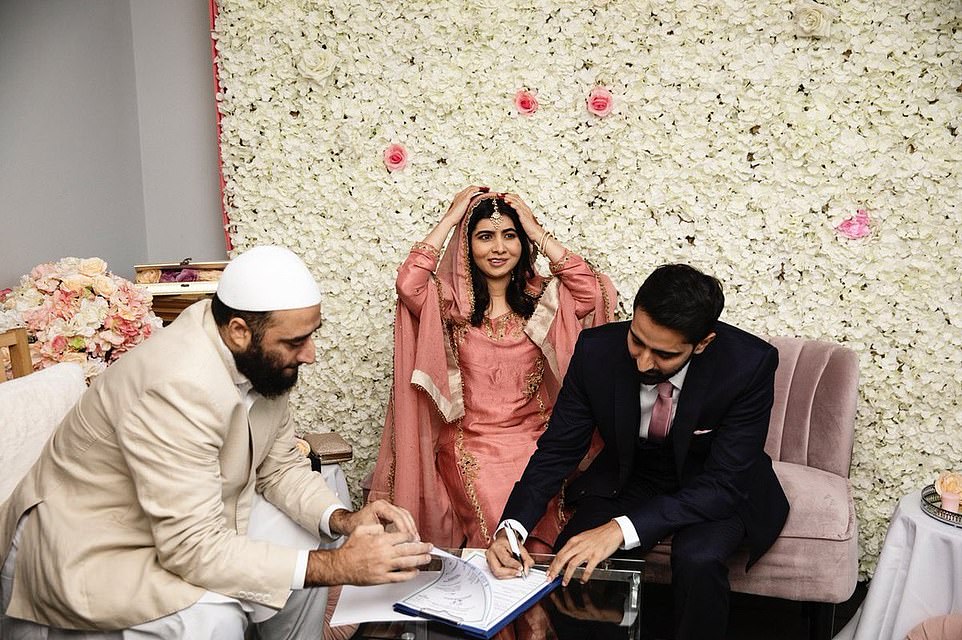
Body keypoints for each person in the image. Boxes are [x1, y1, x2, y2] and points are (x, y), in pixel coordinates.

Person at [0, 246, 432, 639]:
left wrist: (343, 519)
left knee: (304, 542)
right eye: (296, 341)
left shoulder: (258, 359)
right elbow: (191, 545)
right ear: (241, 330)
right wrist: (339, 567)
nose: (311, 353)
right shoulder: (175, 383)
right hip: (89, 541)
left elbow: (278, 465)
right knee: (212, 617)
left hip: (184, 518)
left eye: (312, 334)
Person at [486, 263, 790, 640]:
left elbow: (725, 483)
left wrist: (620, 529)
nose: (643, 362)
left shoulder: (749, 365)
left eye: (663, 354)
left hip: (712, 483)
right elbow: (558, 449)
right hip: (631, 476)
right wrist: (511, 529)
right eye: (637, 340)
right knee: (574, 561)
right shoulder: (596, 351)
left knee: (698, 559)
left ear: (703, 343)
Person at [368, 186, 617, 551]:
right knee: (501, 540)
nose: (499, 248)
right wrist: (452, 217)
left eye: (510, 236)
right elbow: (409, 283)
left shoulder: (542, 302)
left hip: (537, 443)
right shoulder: (451, 308)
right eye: (485, 236)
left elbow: (592, 291)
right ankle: (526, 608)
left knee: (540, 544)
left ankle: (536, 606)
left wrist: (537, 231)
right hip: (472, 446)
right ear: (467, 245)